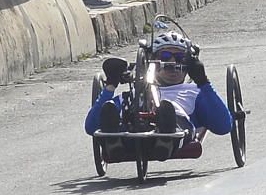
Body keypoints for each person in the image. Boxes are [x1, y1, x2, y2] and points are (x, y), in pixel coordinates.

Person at [86, 29, 233, 161]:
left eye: (180, 57)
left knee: (169, 108)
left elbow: (224, 126)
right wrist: (110, 86)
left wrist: (203, 82)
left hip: (178, 134)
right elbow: (91, 127)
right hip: (131, 133)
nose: (172, 62)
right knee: (113, 107)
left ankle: (167, 138)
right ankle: (114, 142)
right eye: (165, 55)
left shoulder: (195, 92)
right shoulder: (135, 93)